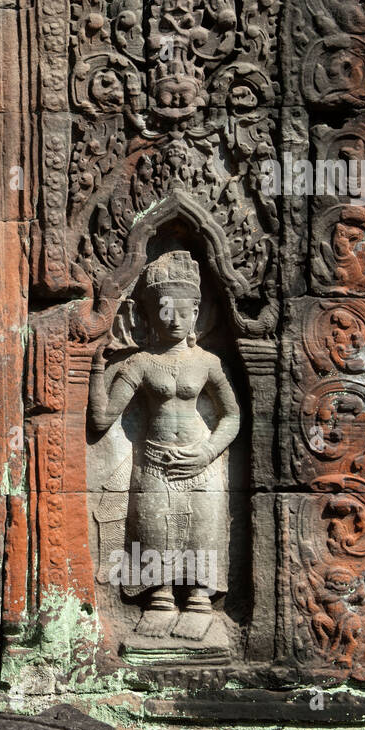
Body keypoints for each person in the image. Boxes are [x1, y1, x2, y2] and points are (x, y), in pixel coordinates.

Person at [89, 251, 240, 640]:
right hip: (154, 460)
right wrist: (93, 369)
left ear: (197, 315)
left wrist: (207, 453)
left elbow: (232, 416)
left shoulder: (207, 362)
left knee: (202, 533)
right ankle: (160, 599)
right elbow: (103, 419)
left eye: (183, 311)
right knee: (154, 530)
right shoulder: (140, 363)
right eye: (165, 310)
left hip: (199, 461)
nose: (174, 319)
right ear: (150, 315)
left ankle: (199, 603)